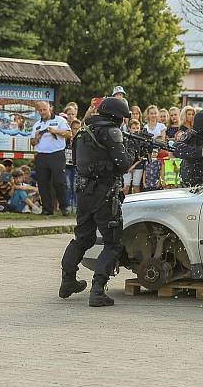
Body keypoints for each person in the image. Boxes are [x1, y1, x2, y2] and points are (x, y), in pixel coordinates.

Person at [60, 97, 134, 307]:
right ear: (115, 117)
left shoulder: (84, 131)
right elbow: (122, 164)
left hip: (84, 193)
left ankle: (67, 281)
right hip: (105, 194)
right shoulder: (111, 132)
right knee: (113, 243)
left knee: (82, 238)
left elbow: (76, 161)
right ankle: (98, 290)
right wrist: (133, 152)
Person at [31, 101, 71, 215]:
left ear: (50, 108)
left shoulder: (60, 120)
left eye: (44, 109)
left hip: (56, 154)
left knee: (59, 182)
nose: (43, 112)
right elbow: (32, 143)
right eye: (40, 110)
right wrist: (37, 138)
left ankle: (65, 207)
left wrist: (56, 131)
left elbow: (69, 134)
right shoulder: (36, 124)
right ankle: (47, 209)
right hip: (41, 155)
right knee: (43, 183)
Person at [122, 119, 144, 194]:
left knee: (136, 186)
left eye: (137, 128)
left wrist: (133, 166)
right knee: (126, 186)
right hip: (127, 166)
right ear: (129, 129)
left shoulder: (142, 140)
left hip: (138, 165)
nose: (136, 130)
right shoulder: (126, 139)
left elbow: (141, 156)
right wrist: (129, 167)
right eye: (133, 128)